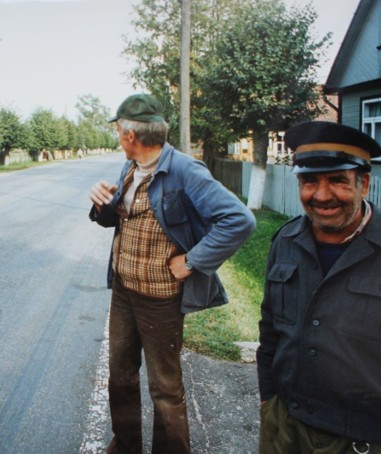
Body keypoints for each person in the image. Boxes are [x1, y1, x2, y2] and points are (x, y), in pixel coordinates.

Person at [89, 93, 256, 453]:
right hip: (123, 289)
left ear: (130, 135)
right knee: (120, 376)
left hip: (160, 300)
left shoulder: (185, 170)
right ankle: (126, 444)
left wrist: (193, 261)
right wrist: (101, 203)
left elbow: (239, 220)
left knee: (164, 388)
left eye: (119, 130)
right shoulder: (131, 167)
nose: (118, 136)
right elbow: (116, 220)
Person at [257, 121, 381, 453]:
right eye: (309, 182)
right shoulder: (286, 241)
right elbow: (270, 331)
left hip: (366, 441)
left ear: (363, 183)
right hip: (284, 428)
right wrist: (268, 400)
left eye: (337, 180)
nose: (321, 196)